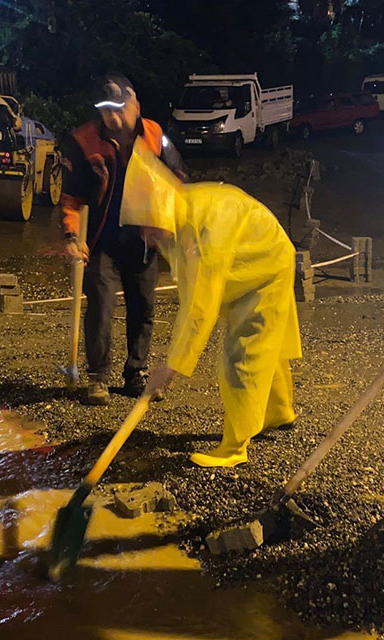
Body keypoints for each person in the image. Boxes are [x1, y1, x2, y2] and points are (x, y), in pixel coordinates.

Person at [125, 141, 301, 468]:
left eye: (145, 225)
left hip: (264, 268)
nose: (145, 235)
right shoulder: (181, 216)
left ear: (157, 212)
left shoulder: (201, 228)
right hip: (256, 260)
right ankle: (279, 412)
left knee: (243, 355)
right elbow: (191, 291)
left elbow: (199, 306)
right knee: (267, 344)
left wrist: (171, 366)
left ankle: (235, 447)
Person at [60, 73, 185, 405]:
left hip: (143, 239)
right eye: (105, 110)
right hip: (101, 239)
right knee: (101, 307)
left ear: (135, 105)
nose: (112, 117)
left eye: (118, 109)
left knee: (143, 307)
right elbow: (71, 197)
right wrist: (72, 236)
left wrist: (169, 225)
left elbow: (177, 181)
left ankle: (135, 373)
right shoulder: (84, 141)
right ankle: (98, 377)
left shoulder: (156, 136)